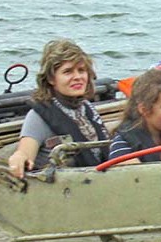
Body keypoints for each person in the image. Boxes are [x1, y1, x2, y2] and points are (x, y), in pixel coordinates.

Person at [8, 39, 109, 178]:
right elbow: (25, 151)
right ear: (51, 78)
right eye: (68, 72)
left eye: (81, 70)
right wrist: (19, 158)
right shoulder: (38, 117)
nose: (77, 77)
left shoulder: (87, 108)